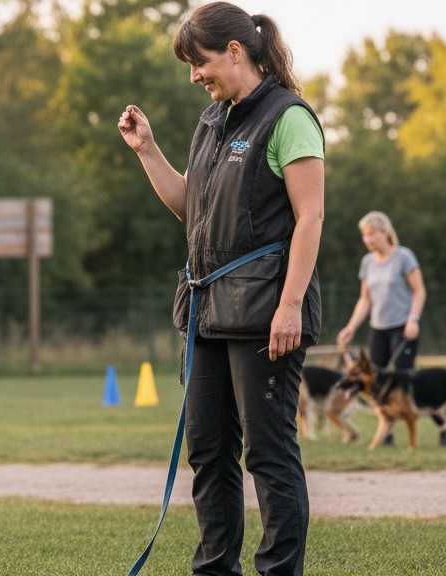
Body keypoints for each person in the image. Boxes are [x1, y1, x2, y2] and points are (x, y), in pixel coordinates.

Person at [118, 3, 324, 575]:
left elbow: (311, 218)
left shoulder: (289, 118)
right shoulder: (211, 122)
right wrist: (147, 150)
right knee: (208, 454)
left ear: (236, 51)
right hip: (207, 312)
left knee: (269, 455)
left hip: (266, 314)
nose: (194, 76)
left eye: (200, 62)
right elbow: (192, 207)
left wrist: (290, 308)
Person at [336, 211, 446, 445]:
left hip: (402, 327)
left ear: (385, 233)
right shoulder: (367, 262)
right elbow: (365, 299)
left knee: (404, 384)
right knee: (375, 382)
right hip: (378, 328)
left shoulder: (403, 257)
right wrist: (350, 326)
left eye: (371, 234)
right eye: (364, 236)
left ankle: (444, 425)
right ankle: (387, 434)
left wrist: (413, 319)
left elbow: (419, 290)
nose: (367, 240)